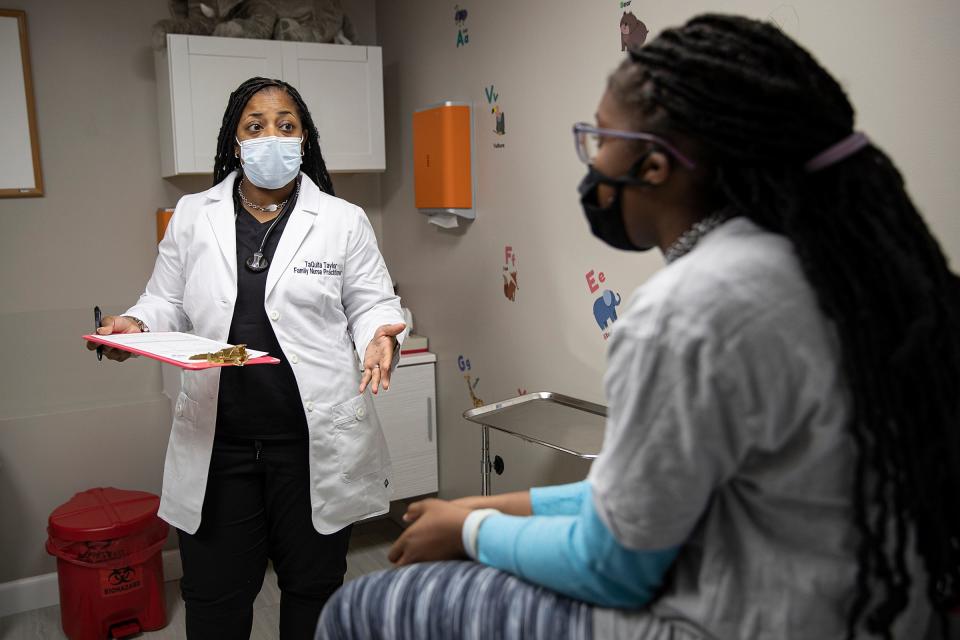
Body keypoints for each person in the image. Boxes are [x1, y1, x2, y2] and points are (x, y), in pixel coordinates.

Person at [315, 14, 960, 640]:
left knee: (366, 605)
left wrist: (468, 534)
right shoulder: (846, 266)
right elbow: (637, 499)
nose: (592, 162)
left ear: (654, 166)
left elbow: (613, 562)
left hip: (740, 618)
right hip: (870, 601)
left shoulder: (687, 309)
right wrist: (475, 509)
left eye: (600, 139)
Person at [87, 77, 406, 639]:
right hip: (220, 445)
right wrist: (136, 325)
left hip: (312, 444)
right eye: (254, 125)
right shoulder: (194, 214)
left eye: (286, 125)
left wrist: (381, 334)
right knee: (214, 598)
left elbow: (371, 302)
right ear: (235, 141)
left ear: (304, 139)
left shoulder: (342, 219)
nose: (271, 136)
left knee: (314, 591)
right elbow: (165, 299)